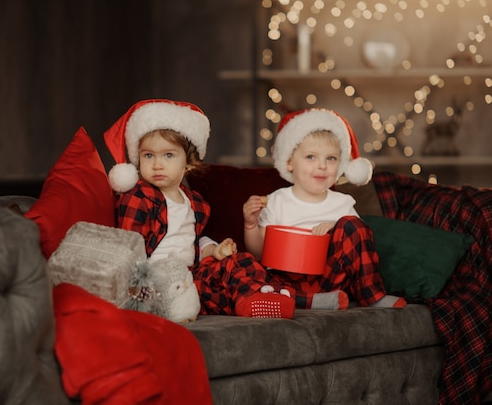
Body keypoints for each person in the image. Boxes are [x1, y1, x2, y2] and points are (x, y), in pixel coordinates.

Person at [103, 98, 295, 319]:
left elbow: (191, 240)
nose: (157, 164)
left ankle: (259, 297)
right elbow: (129, 246)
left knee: (236, 262)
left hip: (192, 272)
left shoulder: (195, 203)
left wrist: (213, 250)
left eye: (168, 155)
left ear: (188, 162)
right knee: (195, 291)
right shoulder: (140, 196)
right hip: (157, 277)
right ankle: (252, 300)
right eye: (148, 155)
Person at [243, 108, 407, 310]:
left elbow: (360, 243)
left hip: (330, 276)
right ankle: (311, 301)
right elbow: (259, 252)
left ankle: (371, 295)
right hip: (288, 278)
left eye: (331, 158)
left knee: (351, 224)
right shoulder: (276, 201)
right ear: (290, 162)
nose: (322, 165)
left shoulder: (343, 203)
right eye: (311, 157)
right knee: (248, 271)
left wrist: (336, 227)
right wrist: (250, 224)